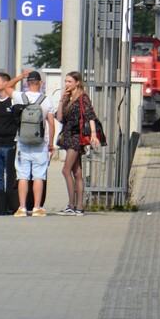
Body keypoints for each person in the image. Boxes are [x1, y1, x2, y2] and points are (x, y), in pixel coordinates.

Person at [12, 69, 56, 217]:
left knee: (23, 175)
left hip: (23, 142)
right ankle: (37, 208)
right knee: (39, 175)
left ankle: (22, 208)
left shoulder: (20, 97)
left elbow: (6, 87)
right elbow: (51, 124)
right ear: (40, 83)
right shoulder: (46, 101)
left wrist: (20, 76)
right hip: (40, 143)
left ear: (27, 83)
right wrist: (51, 144)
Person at [56, 70, 97, 215]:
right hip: (67, 136)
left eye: (69, 82)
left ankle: (71, 205)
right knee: (77, 172)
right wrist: (62, 100)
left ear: (77, 83)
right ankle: (79, 207)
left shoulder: (82, 97)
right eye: (66, 81)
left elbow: (90, 115)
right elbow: (59, 117)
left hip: (76, 137)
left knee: (65, 170)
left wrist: (93, 134)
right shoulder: (68, 98)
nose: (66, 84)